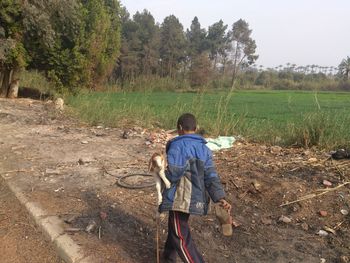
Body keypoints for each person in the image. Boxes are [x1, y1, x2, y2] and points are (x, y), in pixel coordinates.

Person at [159, 113, 231, 263]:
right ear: (196, 128)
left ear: (179, 128)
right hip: (195, 199)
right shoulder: (204, 149)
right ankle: (168, 257)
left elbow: (173, 173)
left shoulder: (178, 145)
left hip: (181, 200)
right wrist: (220, 197)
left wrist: (160, 172)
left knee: (180, 237)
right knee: (176, 227)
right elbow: (211, 176)